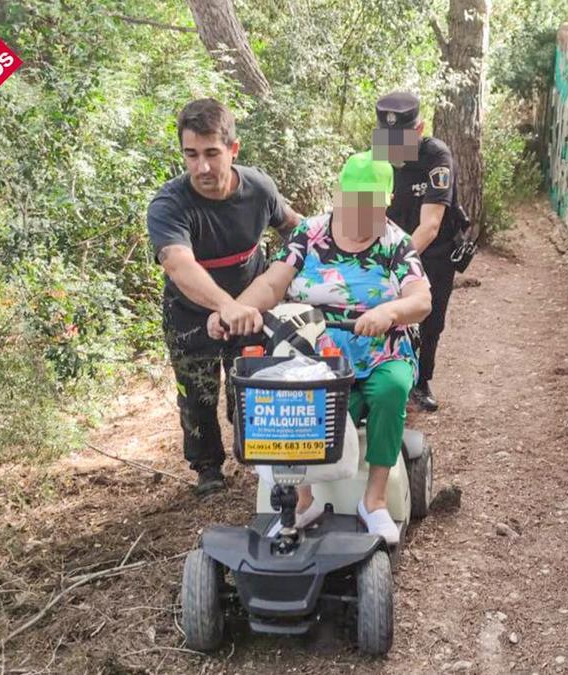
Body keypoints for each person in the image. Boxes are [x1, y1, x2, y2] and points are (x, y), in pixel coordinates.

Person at [210, 151, 432, 544]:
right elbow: (272, 284)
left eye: (371, 205)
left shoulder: (395, 243)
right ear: (339, 195)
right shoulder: (308, 234)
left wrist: (389, 311)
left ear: (385, 204)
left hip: (380, 350)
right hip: (312, 350)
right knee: (293, 400)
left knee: (391, 390)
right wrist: (236, 309)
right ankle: (302, 499)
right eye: (352, 201)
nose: (360, 214)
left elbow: (421, 300)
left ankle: (375, 500)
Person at [146, 97, 302, 497]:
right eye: (191, 154)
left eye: (212, 154)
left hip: (251, 307)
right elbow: (179, 265)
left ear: (233, 149)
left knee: (249, 386)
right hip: (189, 313)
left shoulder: (259, 188)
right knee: (196, 394)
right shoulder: (169, 203)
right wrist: (224, 306)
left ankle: (256, 453)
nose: (202, 167)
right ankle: (207, 467)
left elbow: (295, 229)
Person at [372, 91, 463, 412]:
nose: (393, 145)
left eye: (401, 138)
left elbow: (430, 226)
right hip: (388, 248)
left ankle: (422, 381)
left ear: (420, 128)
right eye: (387, 137)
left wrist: (396, 263)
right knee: (384, 311)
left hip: (434, 253)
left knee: (430, 318)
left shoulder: (436, 157)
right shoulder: (376, 156)